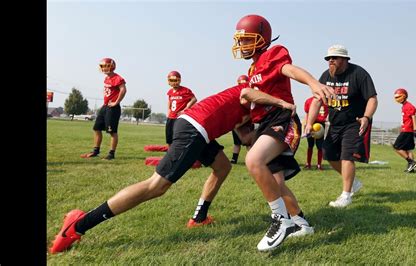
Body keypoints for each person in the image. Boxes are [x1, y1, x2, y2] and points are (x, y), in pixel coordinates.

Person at [49, 83, 307, 254]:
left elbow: (245, 136)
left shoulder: (251, 111)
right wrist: (282, 105)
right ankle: (79, 225)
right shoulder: (251, 92)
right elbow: (248, 94)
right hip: (196, 129)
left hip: (198, 129)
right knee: (156, 186)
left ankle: (199, 217)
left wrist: (264, 137)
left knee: (222, 166)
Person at [232, 14, 335, 251]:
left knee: (254, 160)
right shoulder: (252, 67)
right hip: (265, 123)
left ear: (261, 38)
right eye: (240, 41)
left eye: (247, 40)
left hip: (282, 119)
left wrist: (312, 83)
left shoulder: (273, 54)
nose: (241, 45)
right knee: (275, 184)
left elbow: (289, 70)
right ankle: (301, 223)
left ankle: (281, 220)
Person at [306, 44, 378, 208]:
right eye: (328, 58)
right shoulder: (326, 76)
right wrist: (309, 123)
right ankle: (354, 183)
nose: (331, 61)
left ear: (345, 59)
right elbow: (317, 100)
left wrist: (367, 117)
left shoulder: (359, 74)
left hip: (355, 122)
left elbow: (372, 99)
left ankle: (346, 195)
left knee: (347, 156)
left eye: (335, 58)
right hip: (335, 123)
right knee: (329, 155)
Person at [80, 58, 127, 160]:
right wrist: (105, 103)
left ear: (111, 66)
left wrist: (116, 102)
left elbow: (123, 89)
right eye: (102, 66)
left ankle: (111, 154)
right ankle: (95, 151)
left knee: (112, 131)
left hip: (113, 108)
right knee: (96, 128)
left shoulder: (117, 78)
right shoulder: (106, 78)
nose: (104, 68)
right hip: (105, 106)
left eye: (106, 66)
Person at [166, 71, 197, 145]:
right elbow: (169, 100)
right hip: (171, 117)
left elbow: (194, 99)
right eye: (171, 80)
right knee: (169, 137)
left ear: (179, 80)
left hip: (179, 117)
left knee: (177, 137)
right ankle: (170, 153)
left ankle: (176, 152)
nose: (173, 82)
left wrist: (185, 109)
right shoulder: (170, 91)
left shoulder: (185, 90)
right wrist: (168, 110)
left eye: (175, 80)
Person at [392, 88, 416, 173]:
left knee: (396, 147)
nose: (397, 99)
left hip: (407, 131)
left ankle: (411, 162)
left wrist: (415, 129)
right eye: (396, 97)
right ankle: (411, 169)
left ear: (404, 96)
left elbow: (413, 117)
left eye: (398, 97)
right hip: (407, 130)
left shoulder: (409, 106)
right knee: (408, 149)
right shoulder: (404, 106)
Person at [303, 96, 328, 170]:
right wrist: (306, 125)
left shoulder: (326, 101)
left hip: (321, 125)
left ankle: (319, 164)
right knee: (310, 145)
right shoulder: (309, 100)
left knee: (320, 146)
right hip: (311, 123)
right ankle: (308, 163)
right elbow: (307, 115)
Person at [230, 74, 250, 164]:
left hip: (247, 120)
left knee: (248, 142)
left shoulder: (250, 93)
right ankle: (234, 160)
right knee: (237, 142)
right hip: (237, 119)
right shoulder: (236, 94)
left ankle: (250, 160)